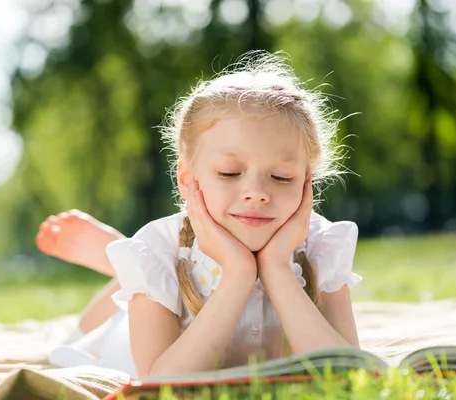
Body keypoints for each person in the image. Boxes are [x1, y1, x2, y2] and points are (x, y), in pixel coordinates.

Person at [36, 52, 362, 379]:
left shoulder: (323, 247)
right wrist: (238, 273)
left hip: (171, 275)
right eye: (230, 173)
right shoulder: (158, 251)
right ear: (188, 180)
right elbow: (161, 382)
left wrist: (277, 268)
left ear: (308, 183)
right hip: (136, 331)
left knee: (153, 277)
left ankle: (124, 272)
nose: (257, 192)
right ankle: (125, 273)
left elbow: (347, 372)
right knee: (108, 324)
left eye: (281, 177)